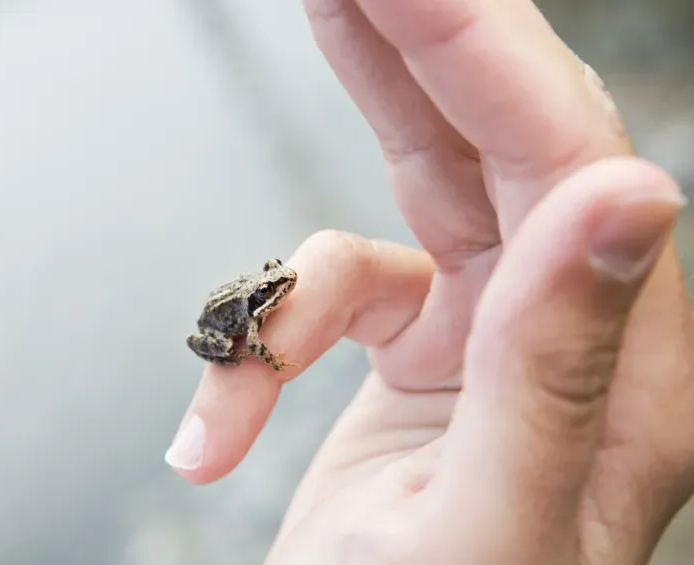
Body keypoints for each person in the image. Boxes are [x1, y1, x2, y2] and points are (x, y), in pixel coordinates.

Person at [165, 0, 694, 562]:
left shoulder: (276, 297)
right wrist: (263, 356)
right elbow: (254, 338)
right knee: (241, 348)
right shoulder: (255, 313)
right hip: (219, 324)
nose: (282, 286)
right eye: (274, 287)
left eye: (274, 281)